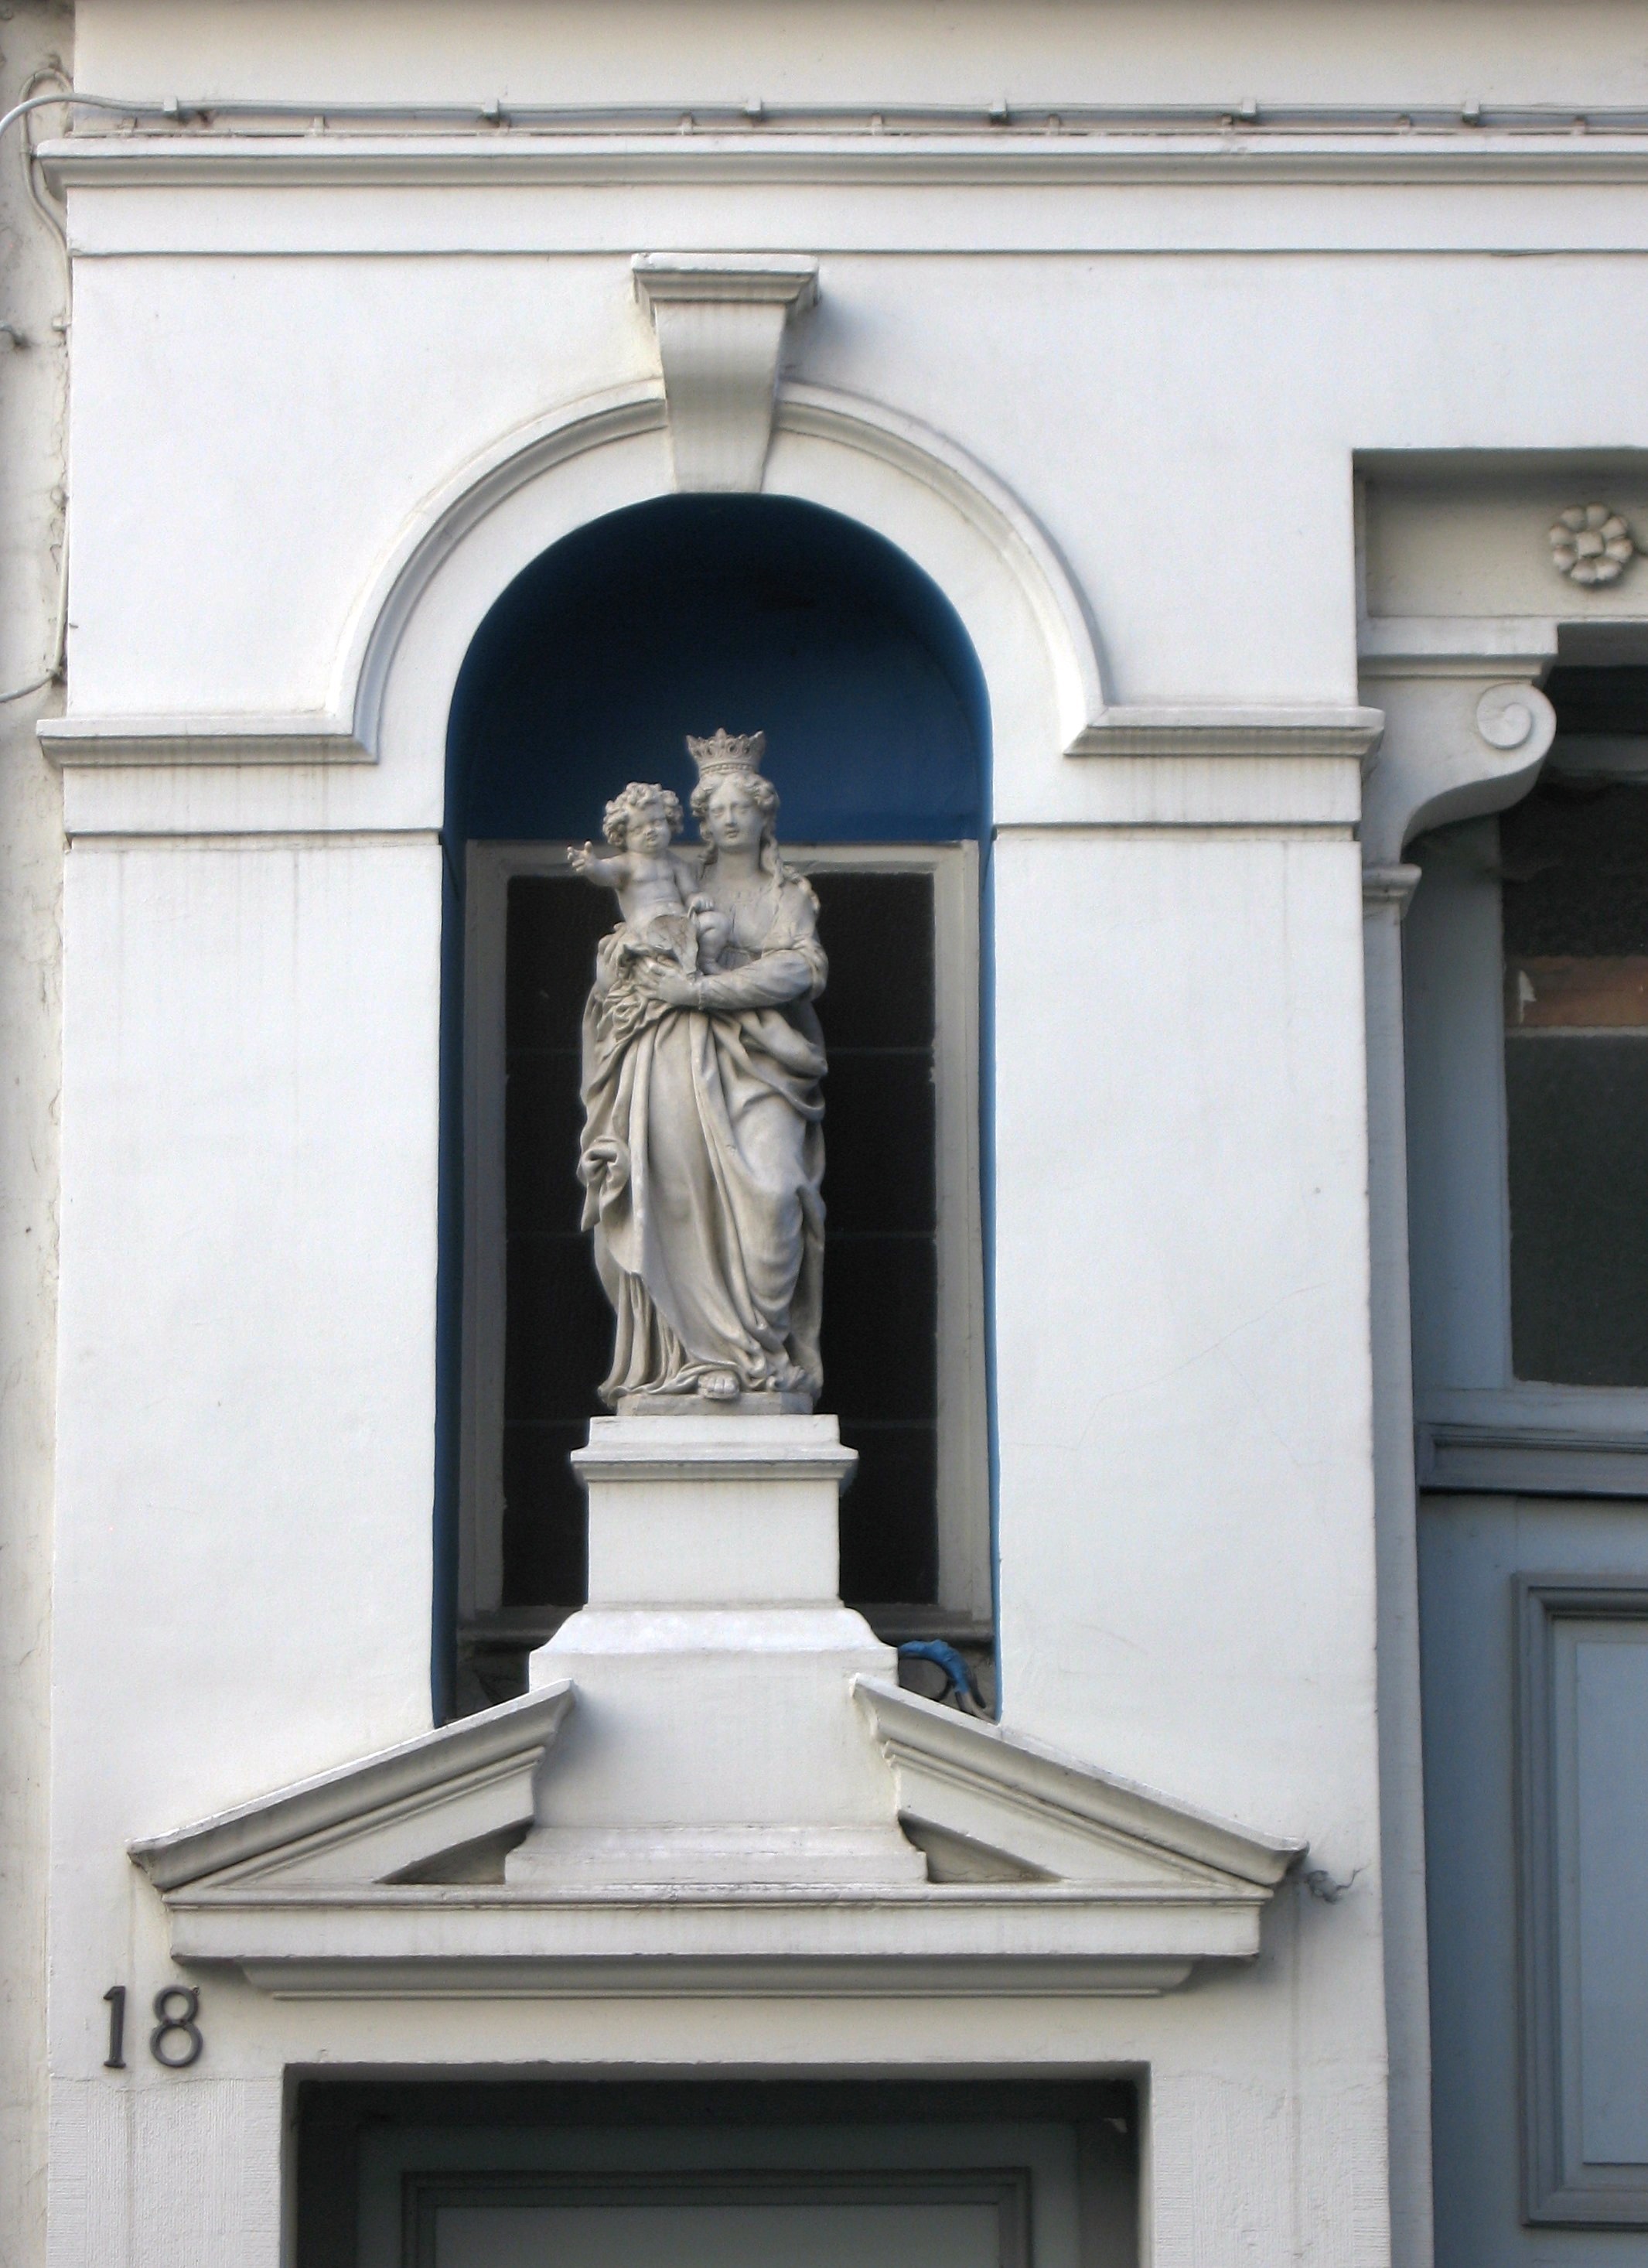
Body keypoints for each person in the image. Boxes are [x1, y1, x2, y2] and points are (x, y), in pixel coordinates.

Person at [576, 730, 827, 1407]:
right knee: (673, 1195)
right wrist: (629, 961)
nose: (728, 818)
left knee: (775, 1193)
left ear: (764, 817)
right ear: (702, 821)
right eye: (715, 808)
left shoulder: (787, 895)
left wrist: (703, 990)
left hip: (763, 1063)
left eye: (741, 806)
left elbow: (801, 970)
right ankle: (703, 1355)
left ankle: (761, 1352)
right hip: (675, 1057)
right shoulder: (677, 881)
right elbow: (620, 970)